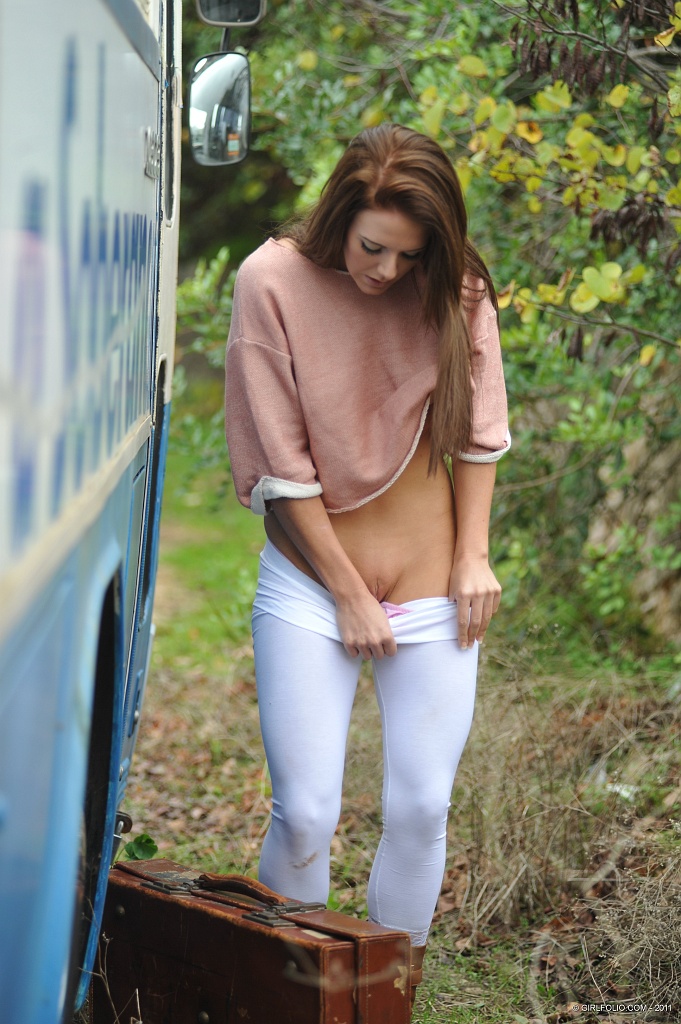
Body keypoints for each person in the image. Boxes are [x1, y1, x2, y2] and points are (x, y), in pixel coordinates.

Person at [224, 122, 510, 1009]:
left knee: (421, 808)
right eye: (371, 247)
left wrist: (473, 558)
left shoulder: (457, 291)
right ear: (340, 215)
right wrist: (347, 594)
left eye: (409, 255)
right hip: (313, 587)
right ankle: (289, 1003)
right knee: (305, 814)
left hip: (431, 588)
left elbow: (479, 435)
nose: (386, 271)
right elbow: (279, 466)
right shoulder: (270, 280)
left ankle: (386, 1004)